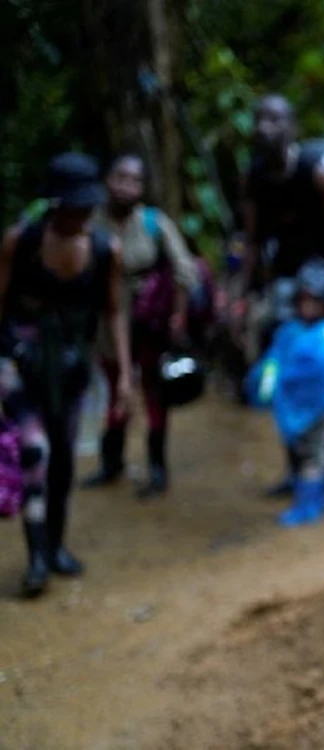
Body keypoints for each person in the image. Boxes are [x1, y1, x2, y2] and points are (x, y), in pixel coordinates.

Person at [0, 152, 131, 597]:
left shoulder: (103, 250)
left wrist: (124, 376)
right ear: (56, 204)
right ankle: (36, 558)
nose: (83, 215)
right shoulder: (21, 242)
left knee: (63, 461)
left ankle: (56, 546)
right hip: (20, 364)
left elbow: (113, 312)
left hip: (72, 368)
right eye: (75, 206)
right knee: (34, 450)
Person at [237, 94, 324, 496]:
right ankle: (295, 467)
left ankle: (321, 467)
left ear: (292, 128)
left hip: (323, 288)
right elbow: (252, 239)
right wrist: (239, 295)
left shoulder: (314, 172)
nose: (265, 127)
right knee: (284, 374)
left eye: (275, 119)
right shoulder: (254, 176)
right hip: (285, 285)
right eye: (259, 119)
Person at [81, 154, 200, 497]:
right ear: (107, 180)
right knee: (116, 390)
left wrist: (177, 316)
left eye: (134, 180)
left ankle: (157, 469)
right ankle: (111, 462)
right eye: (120, 177)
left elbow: (184, 271)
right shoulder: (91, 223)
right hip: (106, 325)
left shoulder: (153, 222)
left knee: (153, 394)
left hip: (150, 327)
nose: (126, 186)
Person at [245, 258, 324, 526]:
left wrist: (287, 379)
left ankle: (311, 503)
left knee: (315, 457)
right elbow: (275, 362)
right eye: (304, 300)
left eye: (315, 300)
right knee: (299, 452)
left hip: (320, 410)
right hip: (294, 410)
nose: (308, 306)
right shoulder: (291, 331)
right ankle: (300, 487)